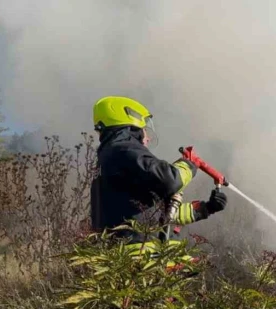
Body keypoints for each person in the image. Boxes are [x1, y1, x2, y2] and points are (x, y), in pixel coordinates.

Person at [90, 96, 227, 248]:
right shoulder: (123, 148)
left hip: (135, 252)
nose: (147, 138)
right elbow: (170, 180)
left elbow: (158, 214)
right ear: (131, 123)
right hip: (140, 252)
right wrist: (188, 164)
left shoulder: (114, 157)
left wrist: (206, 208)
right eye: (144, 130)